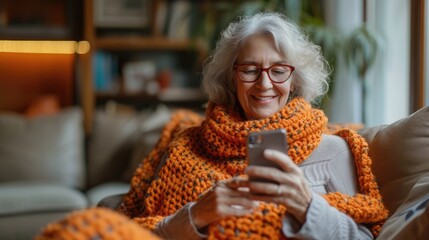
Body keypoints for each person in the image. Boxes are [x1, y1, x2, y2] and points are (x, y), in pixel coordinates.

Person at [37, 12, 387, 240]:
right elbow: (143, 230)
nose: (264, 84)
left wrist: (306, 205)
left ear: (294, 80)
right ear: (231, 78)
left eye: (278, 70)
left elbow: (365, 237)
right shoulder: (188, 146)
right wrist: (196, 214)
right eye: (250, 69)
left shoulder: (334, 150)